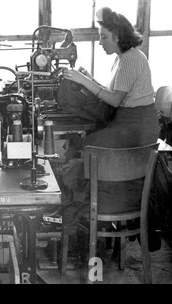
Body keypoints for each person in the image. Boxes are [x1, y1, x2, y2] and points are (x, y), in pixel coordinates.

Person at [60, 7, 160, 230]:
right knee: (85, 144)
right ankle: (89, 206)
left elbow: (114, 99)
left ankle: (88, 209)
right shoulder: (121, 58)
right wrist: (88, 77)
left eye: (104, 37)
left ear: (118, 36)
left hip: (138, 126)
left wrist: (82, 80)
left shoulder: (131, 58)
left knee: (90, 147)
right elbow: (111, 91)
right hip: (128, 121)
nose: (100, 42)